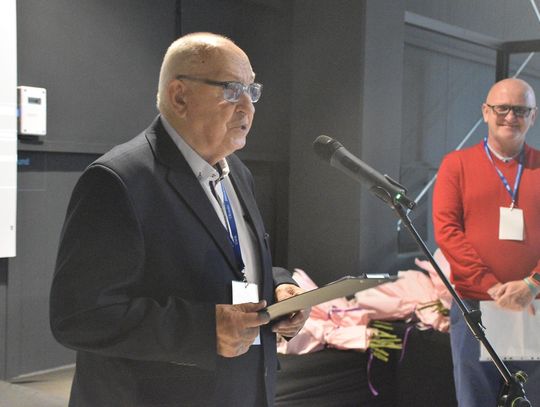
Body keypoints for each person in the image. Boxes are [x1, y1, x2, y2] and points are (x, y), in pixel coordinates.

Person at [49, 32, 309, 407]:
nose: (247, 108)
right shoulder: (119, 180)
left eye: (252, 91)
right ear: (179, 96)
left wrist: (280, 287)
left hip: (244, 389)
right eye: (232, 90)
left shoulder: (237, 173)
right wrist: (204, 330)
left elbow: (234, 264)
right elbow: (80, 316)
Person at [433, 78, 540, 407]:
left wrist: (532, 284)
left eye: (520, 110)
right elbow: (447, 231)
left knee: (531, 399)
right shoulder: (456, 164)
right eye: (502, 108)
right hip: (475, 306)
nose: (510, 116)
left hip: (534, 306)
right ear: (485, 112)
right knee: (475, 399)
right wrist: (491, 287)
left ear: (533, 116)